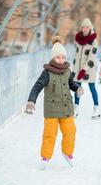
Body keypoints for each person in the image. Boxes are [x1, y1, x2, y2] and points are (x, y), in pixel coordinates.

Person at [25, 36, 83, 169]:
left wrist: (77, 88)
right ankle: (45, 157)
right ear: (52, 58)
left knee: (71, 131)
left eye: (63, 57)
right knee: (50, 135)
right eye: (58, 57)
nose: (61, 60)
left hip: (66, 108)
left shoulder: (67, 71)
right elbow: (37, 87)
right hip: (51, 110)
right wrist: (31, 100)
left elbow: (71, 83)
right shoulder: (47, 73)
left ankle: (67, 153)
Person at [72, 18, 101, 119]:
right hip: (77, 69)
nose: (84, 29)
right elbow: (76, 55)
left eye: (87, 27)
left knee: (92, 88)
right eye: (83, 27)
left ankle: (96, 109)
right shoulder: (77, 40)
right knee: (77, 88)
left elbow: (91, 58)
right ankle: (76, 108)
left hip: (89, 69)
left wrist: (83, 70)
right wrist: (75, 69)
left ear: (90, 28)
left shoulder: (94, 41)